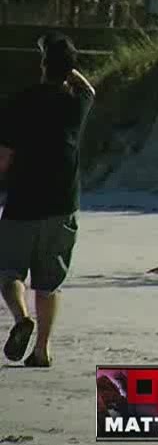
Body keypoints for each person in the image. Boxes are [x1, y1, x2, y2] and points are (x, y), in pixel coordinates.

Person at [0, 32, 95, 367]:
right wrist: (66, 67)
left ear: (42, 65)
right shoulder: (75, 105)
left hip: (22, 204)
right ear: (68, 69)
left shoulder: (20, 101)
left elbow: (4, 158)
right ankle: (42, 350)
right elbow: (88, 89)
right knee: (49, 282)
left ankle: (21, 318)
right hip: (62, 205)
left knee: (10, 272)